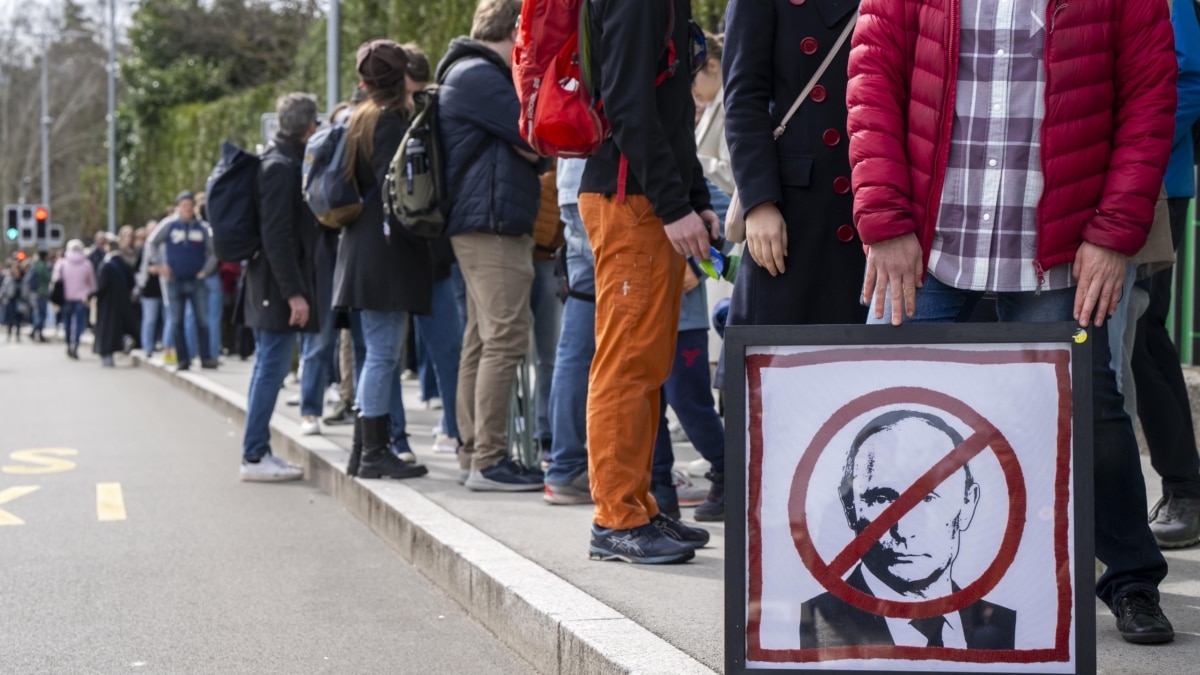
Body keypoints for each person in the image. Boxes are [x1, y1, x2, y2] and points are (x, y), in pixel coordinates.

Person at [850, 0, 1176, 644]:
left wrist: (1114, 234)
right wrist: (885, 222)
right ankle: (869, 587)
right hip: (929, 244)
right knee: (891, 414)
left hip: (1056, 247)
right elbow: (871, 84)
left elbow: (1148, 100)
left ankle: (1132, 577)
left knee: (1091, 407)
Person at [580, 0, 715, 564]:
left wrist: (695, 199)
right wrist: (673, 202)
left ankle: (637, 505)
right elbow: (628, 104)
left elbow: (667, 109)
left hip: (644, 197)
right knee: (628, 362)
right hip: (630, 198)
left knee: (647, 361)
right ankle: (616, 519)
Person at [438, 0, 544, 491]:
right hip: (492, 224)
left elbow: (528, 146)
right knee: (505, 338)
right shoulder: (480, 75)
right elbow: (537, 137)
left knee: (481, 341)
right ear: (516, 28)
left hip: (484, 222)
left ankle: (472, 452)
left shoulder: (464, 72)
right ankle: (489, 459)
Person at [800, 411, 1016, 650]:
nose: (903, 530)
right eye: (881, 498)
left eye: (928, 497)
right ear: (850, 508)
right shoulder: (816, 627)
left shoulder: (1006, 629)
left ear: (968, 504)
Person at [721, 0, 867, 334]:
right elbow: (744, 100)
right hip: (793, 213)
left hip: (869, 203)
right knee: (777, 368)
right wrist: (759, 203)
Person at [331, 39, 431, 481]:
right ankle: (374, 452)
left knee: (377, 351)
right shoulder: (389, 121)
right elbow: (401, 192)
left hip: (360, 246)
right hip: (384, 250)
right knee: (384, 354)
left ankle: (361, 448)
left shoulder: (358, 117)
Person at [1135, 0, 1200, 550]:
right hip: (1068, 184)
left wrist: (1134, 157)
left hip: (1149, 185)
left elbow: (1186, 80)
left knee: (1141, 340)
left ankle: (1185, 490)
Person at [240, 93, 322, 482]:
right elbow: (277, 236)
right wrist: (294, 292)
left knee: (268, 368)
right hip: (275, 287)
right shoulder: (281, 167)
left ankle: (258, 451)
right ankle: (254, 454)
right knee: (271, 368)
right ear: (309, 127)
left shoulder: (276, 161)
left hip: (269, 283)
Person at [544, 158, 595, 505]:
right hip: (600, 184)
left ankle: (566, 464)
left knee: (575, 344)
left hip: (576, 183)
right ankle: (569, 464)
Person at [146, 191, 219, 371]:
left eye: (190, 205)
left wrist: (206, 270)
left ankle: (206, 357)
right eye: (184, 206)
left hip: (196, 279)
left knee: (203, 320)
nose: (187, 209)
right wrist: (161, 265)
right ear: (179, 207)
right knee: (177, 321)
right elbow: (151, 243)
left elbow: (214, 251)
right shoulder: (169, 225)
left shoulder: (202, 228)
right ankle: (183, 359)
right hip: (175, 280)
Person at [92, 238, 139, 367]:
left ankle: (108, 358)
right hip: (123, 302)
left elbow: (102, 286)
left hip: (107, 305)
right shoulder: (125, 263)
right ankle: (125, 340)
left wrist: (92, 295)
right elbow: (132, 282)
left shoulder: (106, 265)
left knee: (107, 332)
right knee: (120, 328)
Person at [52, 239, 97, 360]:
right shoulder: (87, 264)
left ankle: (68, 343)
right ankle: (75, 344)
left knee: (67, 323)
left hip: (66, 297)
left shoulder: (61, 264)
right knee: (79, 324)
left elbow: (56, 281)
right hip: (82, 298)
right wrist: (88, 295)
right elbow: (92, 283)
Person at [25, 251, 52, 342]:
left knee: (38, 314)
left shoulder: (35, 265)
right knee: (42, 315)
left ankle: (39, 333)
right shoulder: (43, 266)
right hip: (42, 292)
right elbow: (49, 277)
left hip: (35, 293)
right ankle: (35, 331)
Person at [1, 263, 26, 342]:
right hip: (11, 300)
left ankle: (18, 335)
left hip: (20, 301)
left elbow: (27, 290)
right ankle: (9, 335)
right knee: (10, 319)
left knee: (19, 319)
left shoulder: (23, 279)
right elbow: (4, 288)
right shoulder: (9, 278)